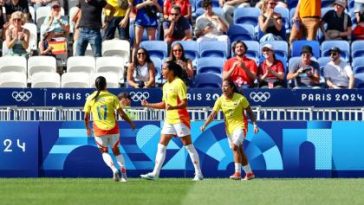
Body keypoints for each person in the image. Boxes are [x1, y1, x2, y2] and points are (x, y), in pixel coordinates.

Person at [140, 60, 203, 181]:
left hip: (180, 119)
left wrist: (174, 107)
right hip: (169, 120)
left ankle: (198, 173)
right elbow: (165, 104)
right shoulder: (165, 86)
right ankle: (155, 173)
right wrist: (149, 105)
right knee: (161, 145)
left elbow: (184, 103)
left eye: (164, 69)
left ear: (171, 71)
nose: (162, 71)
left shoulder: (179, 83)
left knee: (188, 146)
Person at [200, 79, 259, 180]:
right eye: (222, 86)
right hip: (229, 130)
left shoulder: (240, 98)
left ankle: (237, 173)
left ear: (232, 88)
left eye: (226, 86)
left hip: (241, 126)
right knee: (239, 149)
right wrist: (204, 125)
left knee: (235, 147)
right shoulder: (220, 100)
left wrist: (254, 124)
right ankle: (249, 173)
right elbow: (213, 114)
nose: (224, 88)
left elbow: (249, 112)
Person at [84, 76, 136, 182]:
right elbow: (121, 114)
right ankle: (124, 175)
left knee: (104, 151)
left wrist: (87, 128)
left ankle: (114, 169)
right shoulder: (112, 97)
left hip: (99, 130)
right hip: (113, 129)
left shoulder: (91, 98)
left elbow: (86, 116)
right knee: (117, 151)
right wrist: (130, 122)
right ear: (106, 85)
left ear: (95, 85)